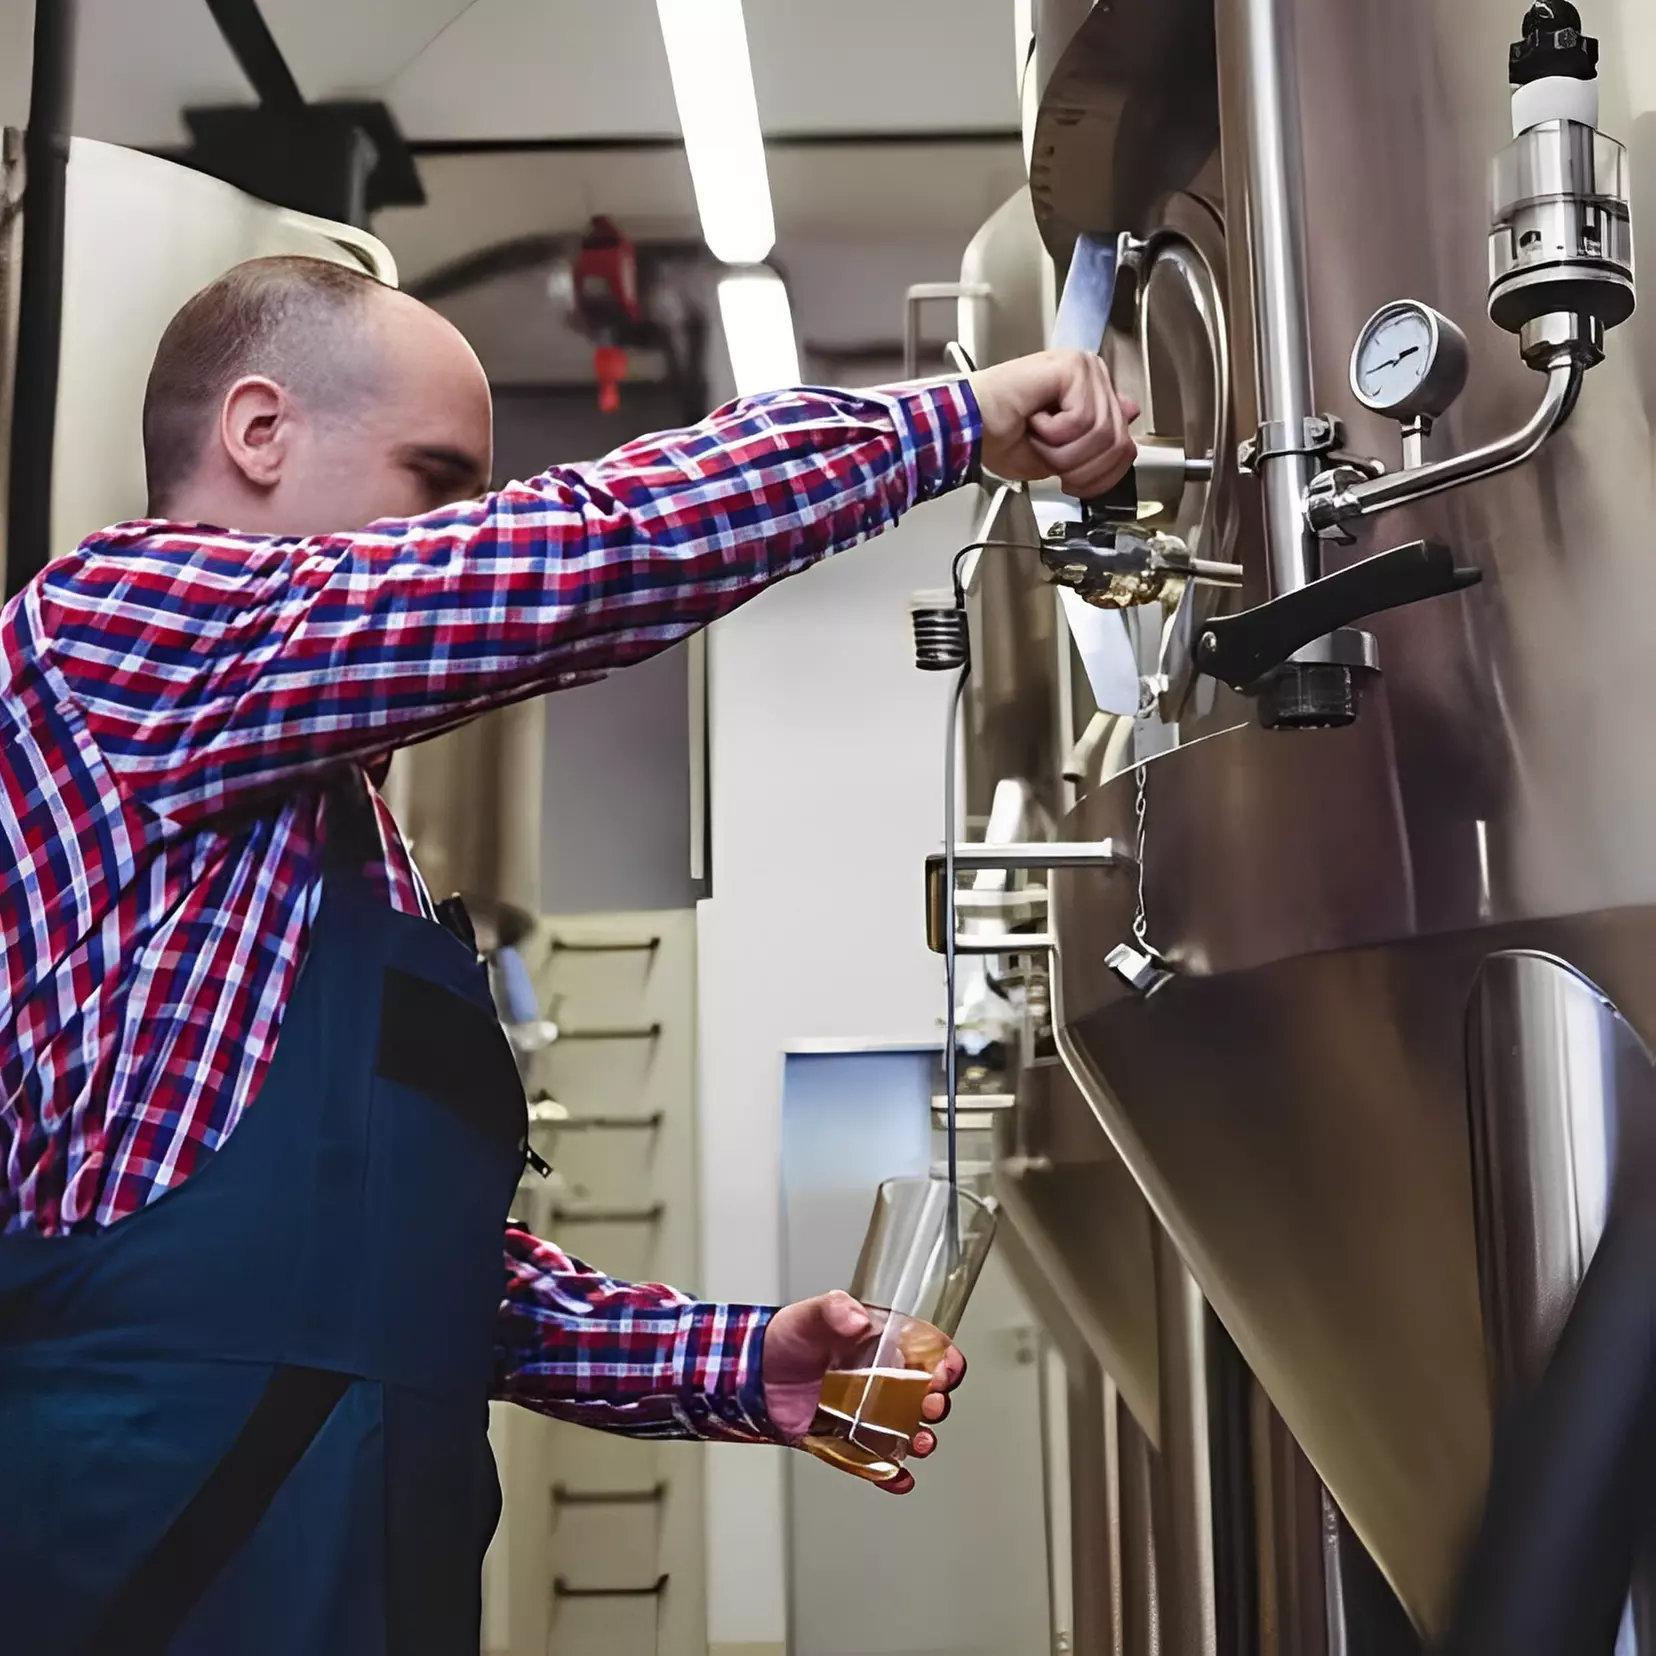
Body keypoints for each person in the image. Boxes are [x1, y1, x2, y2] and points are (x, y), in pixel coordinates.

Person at [0, 255, 1138, 1654]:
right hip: (138, 1561)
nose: (456, 532)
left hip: (355, 1569)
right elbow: (586, 553)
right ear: (255, 433)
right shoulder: (116, 631)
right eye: (435, 480)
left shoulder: (351, 835)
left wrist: (729, 1359)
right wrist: (950, 425)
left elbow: (396, 1271)